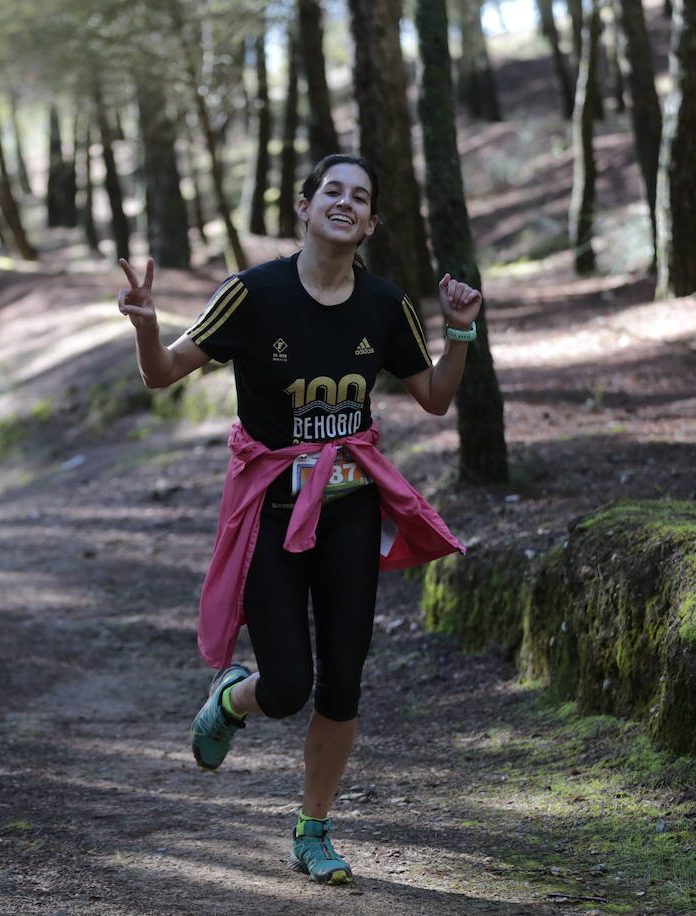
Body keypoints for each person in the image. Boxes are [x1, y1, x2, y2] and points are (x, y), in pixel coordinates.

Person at [116, 153, 481, 885]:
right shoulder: (252, 295)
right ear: (306, 208)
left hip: (350, 511)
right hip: (272, 516)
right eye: (332, 192)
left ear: (371, 222)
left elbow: (435, 397)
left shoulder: (384, 303)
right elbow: (161, 375)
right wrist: (148, 328)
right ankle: (231, 697)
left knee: (342, 681)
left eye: (360, 197)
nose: (345, 203)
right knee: (286, 688)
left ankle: (313, 830)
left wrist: (460, 333)